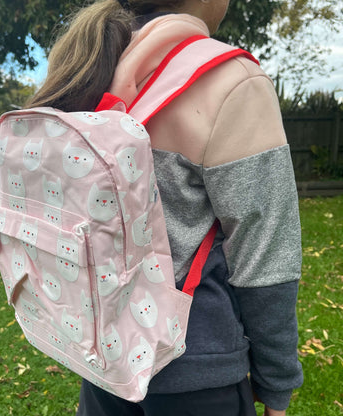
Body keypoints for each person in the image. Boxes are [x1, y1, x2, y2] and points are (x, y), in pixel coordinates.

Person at [26, 1, 303, 415]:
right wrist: (277, 382)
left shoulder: (89, 63)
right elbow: (266, 261)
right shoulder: (230, 81)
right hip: (197, 377)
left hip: (105, 360)